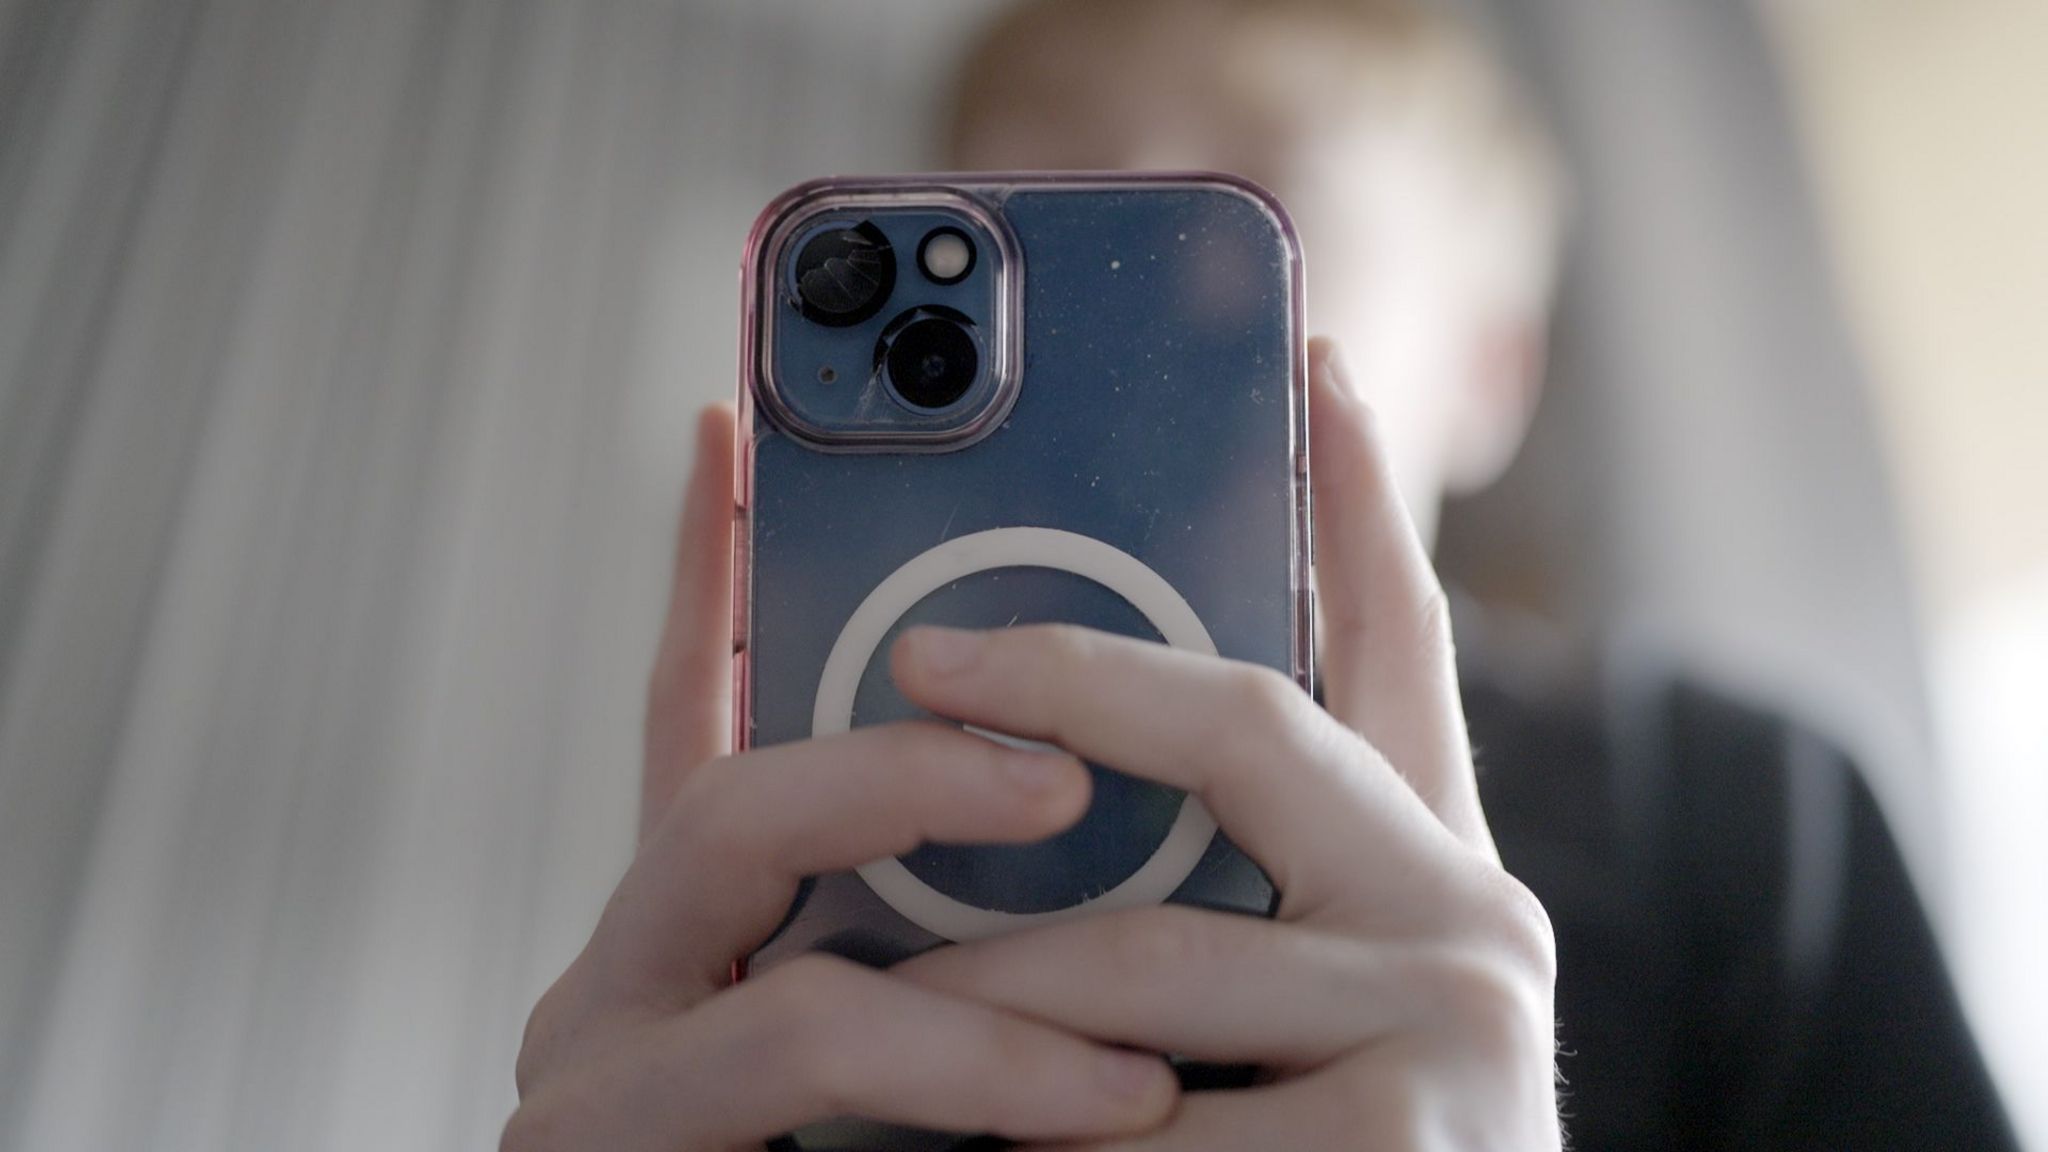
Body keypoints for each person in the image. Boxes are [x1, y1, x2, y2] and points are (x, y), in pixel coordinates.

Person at [505, 1, 2019, 1149]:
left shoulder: (1736, 802)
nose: (1165, 308)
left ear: (1498, 366)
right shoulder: (809, 804)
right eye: (1061, 217)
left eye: (1253, 213)